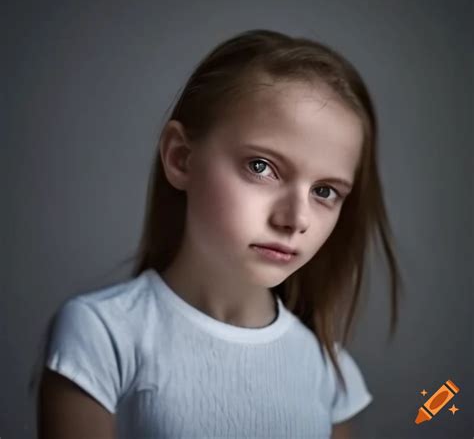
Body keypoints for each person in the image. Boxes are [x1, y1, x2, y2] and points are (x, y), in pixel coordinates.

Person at [33, 29, 404, 438]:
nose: (296, 219)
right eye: (261, 167)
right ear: (181, 158)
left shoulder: (331, 373)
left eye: (325, 191)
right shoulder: (102, 335)